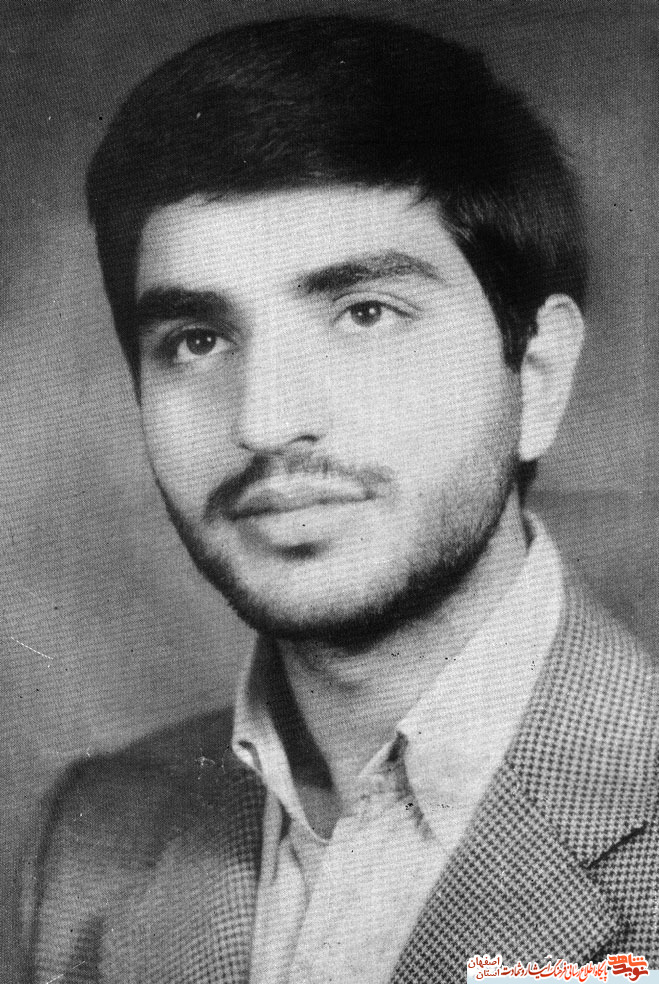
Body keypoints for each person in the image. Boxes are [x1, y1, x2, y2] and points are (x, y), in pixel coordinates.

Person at [17, 15, 658, 984]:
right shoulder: (94, 839)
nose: (266, 421)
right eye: (196, 340)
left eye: (364, 314)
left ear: (536, 376)